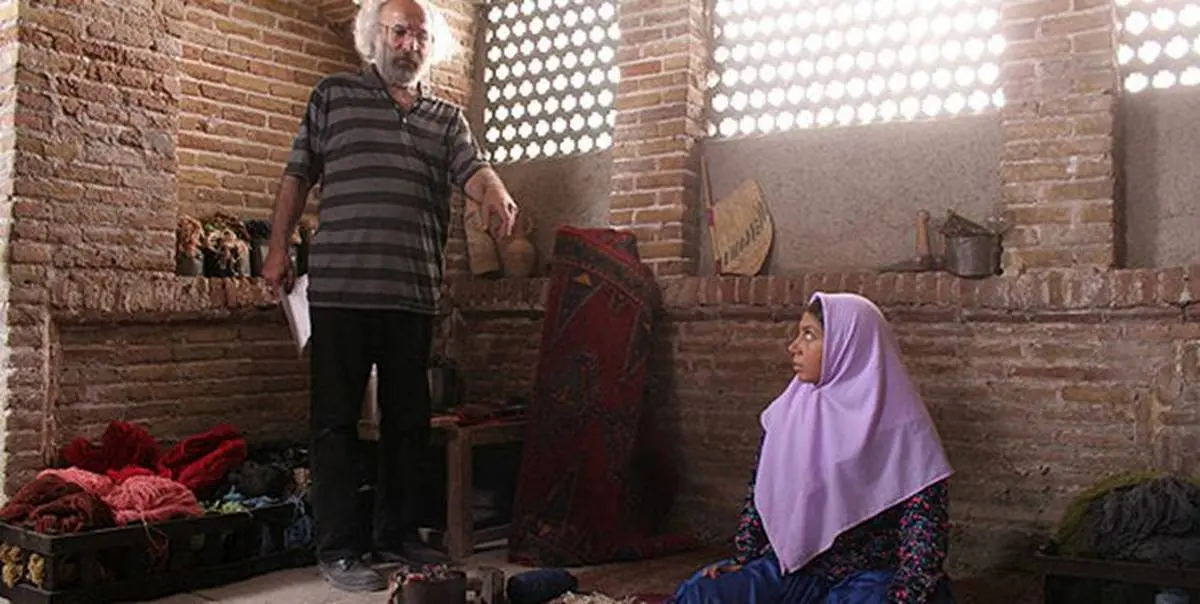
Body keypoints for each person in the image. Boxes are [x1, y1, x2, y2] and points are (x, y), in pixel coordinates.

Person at [261, 0, 519, 593]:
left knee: (408, 424)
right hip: (341, 291)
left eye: (420, 36)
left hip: (412, 295)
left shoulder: (447, 119)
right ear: (373, 36)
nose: (409, 44)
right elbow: (297, 174)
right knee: (335, 425)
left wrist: (495, 192)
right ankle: (339, 549)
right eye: (399, 32)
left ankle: (395, 536)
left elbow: (475, 169)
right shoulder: (333, 96)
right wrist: (277, 249)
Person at [670, 292, 956, 604]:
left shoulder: (904, 428)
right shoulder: (787, 414)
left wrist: (905, 595)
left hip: (868, 575)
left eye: (809, 335)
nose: (794, 347)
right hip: (795, 568)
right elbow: (760, 493)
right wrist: (745, 558)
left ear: (848, 346)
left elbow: (923, 530)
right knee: (704, 593)